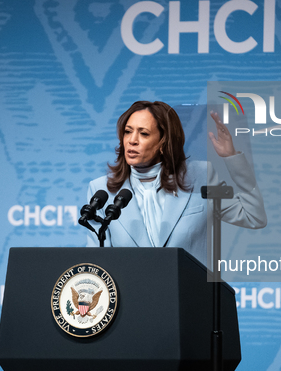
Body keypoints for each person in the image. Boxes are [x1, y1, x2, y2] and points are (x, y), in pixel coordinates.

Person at [85, 101, 266, 265]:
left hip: (189, 297)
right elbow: (96, 262)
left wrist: (231, 158)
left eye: (144, 133)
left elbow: (253, 216)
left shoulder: (200, 176)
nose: (132, 140)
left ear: (164, 142)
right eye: (127, 131)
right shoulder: (102, 190)